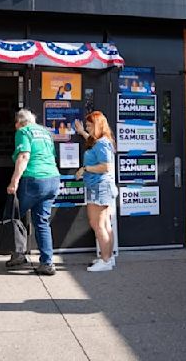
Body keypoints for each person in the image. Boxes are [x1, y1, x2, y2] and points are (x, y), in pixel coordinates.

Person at [6, 109, 61, 275]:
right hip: (52, 179)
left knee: (13, 216)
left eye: (15, 125)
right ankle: (47, 262)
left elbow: (24, 156)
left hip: (34, 179)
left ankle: (18, 255)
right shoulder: (45, 132)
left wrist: (14, 182)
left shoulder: (24, 131)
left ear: (19, 122)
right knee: (42, 222)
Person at [75, 111, 118, 272]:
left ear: (97, 125)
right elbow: (93, 144)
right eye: (86, 125)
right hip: (100, 187)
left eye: (89, 125)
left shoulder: (101, 143)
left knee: (98, 224)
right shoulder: (100, 141)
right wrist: (82, 132)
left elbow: (106, 166)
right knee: (105, 224)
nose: (87, 128)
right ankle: (109, 257)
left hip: (99, 187)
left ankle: (105, 260)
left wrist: (85, 169)